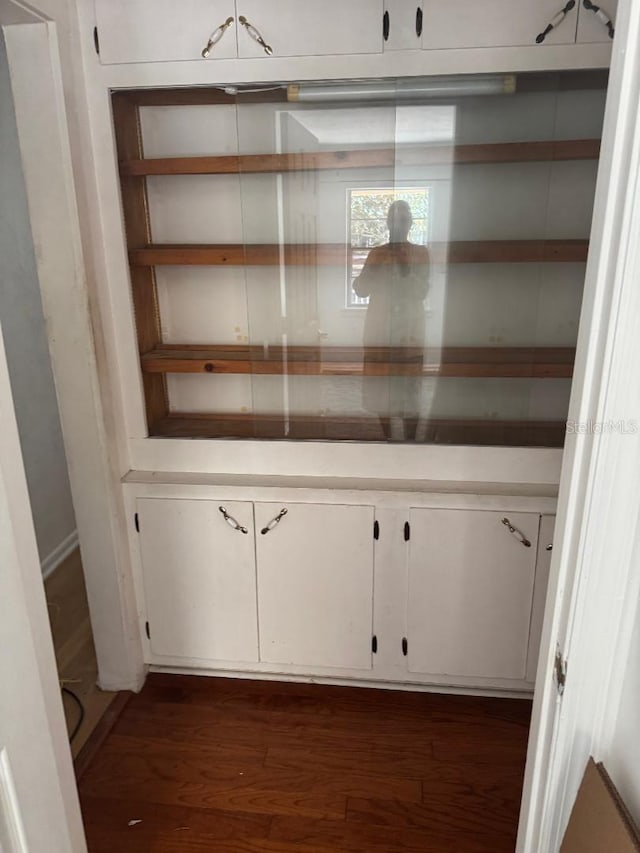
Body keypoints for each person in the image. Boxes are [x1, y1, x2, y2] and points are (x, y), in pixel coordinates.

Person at [353, 200, 430, 440]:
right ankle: (387, 438)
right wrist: (374, 270)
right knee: (381, 389)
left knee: (410, 389)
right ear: (387, 223)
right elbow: (360, 289)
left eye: (404, 219)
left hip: (409, 330)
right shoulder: (376, 253)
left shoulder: (421, 253)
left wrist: (406, 268)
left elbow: (422, 292)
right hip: (380, 329)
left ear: (411, 224)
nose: (399, 224)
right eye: (394, 219)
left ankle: (410, 442)